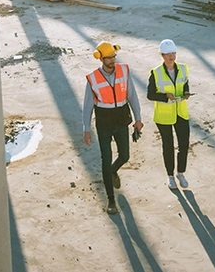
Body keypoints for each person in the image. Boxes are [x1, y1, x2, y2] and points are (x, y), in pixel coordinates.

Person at [82, 42, 143, 215]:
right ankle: (110, 200)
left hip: (122, 118)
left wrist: (138, 118)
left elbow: (132, 95)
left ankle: (113, 171)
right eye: (108, 57)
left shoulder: (124, 71)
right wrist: (86, 129)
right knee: (105, 159)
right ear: (100, 58)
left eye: (114, 56)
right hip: (104, 122)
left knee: (125, 155)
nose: (112, 60)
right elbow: (87, 106)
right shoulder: (92, 78)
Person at [146, 39, 192, 190]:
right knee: (168, 146)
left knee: (184, 144)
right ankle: (170, 176)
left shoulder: (183, 68)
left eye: (173, 53)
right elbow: (150, 95)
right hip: (164, 115)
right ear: (162, 55)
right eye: (168, 54)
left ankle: (181, 173)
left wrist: (186, 92)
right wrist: (165, 96)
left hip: (181, 112)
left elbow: (185, 83)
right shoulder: (156, 72)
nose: (171, 56)